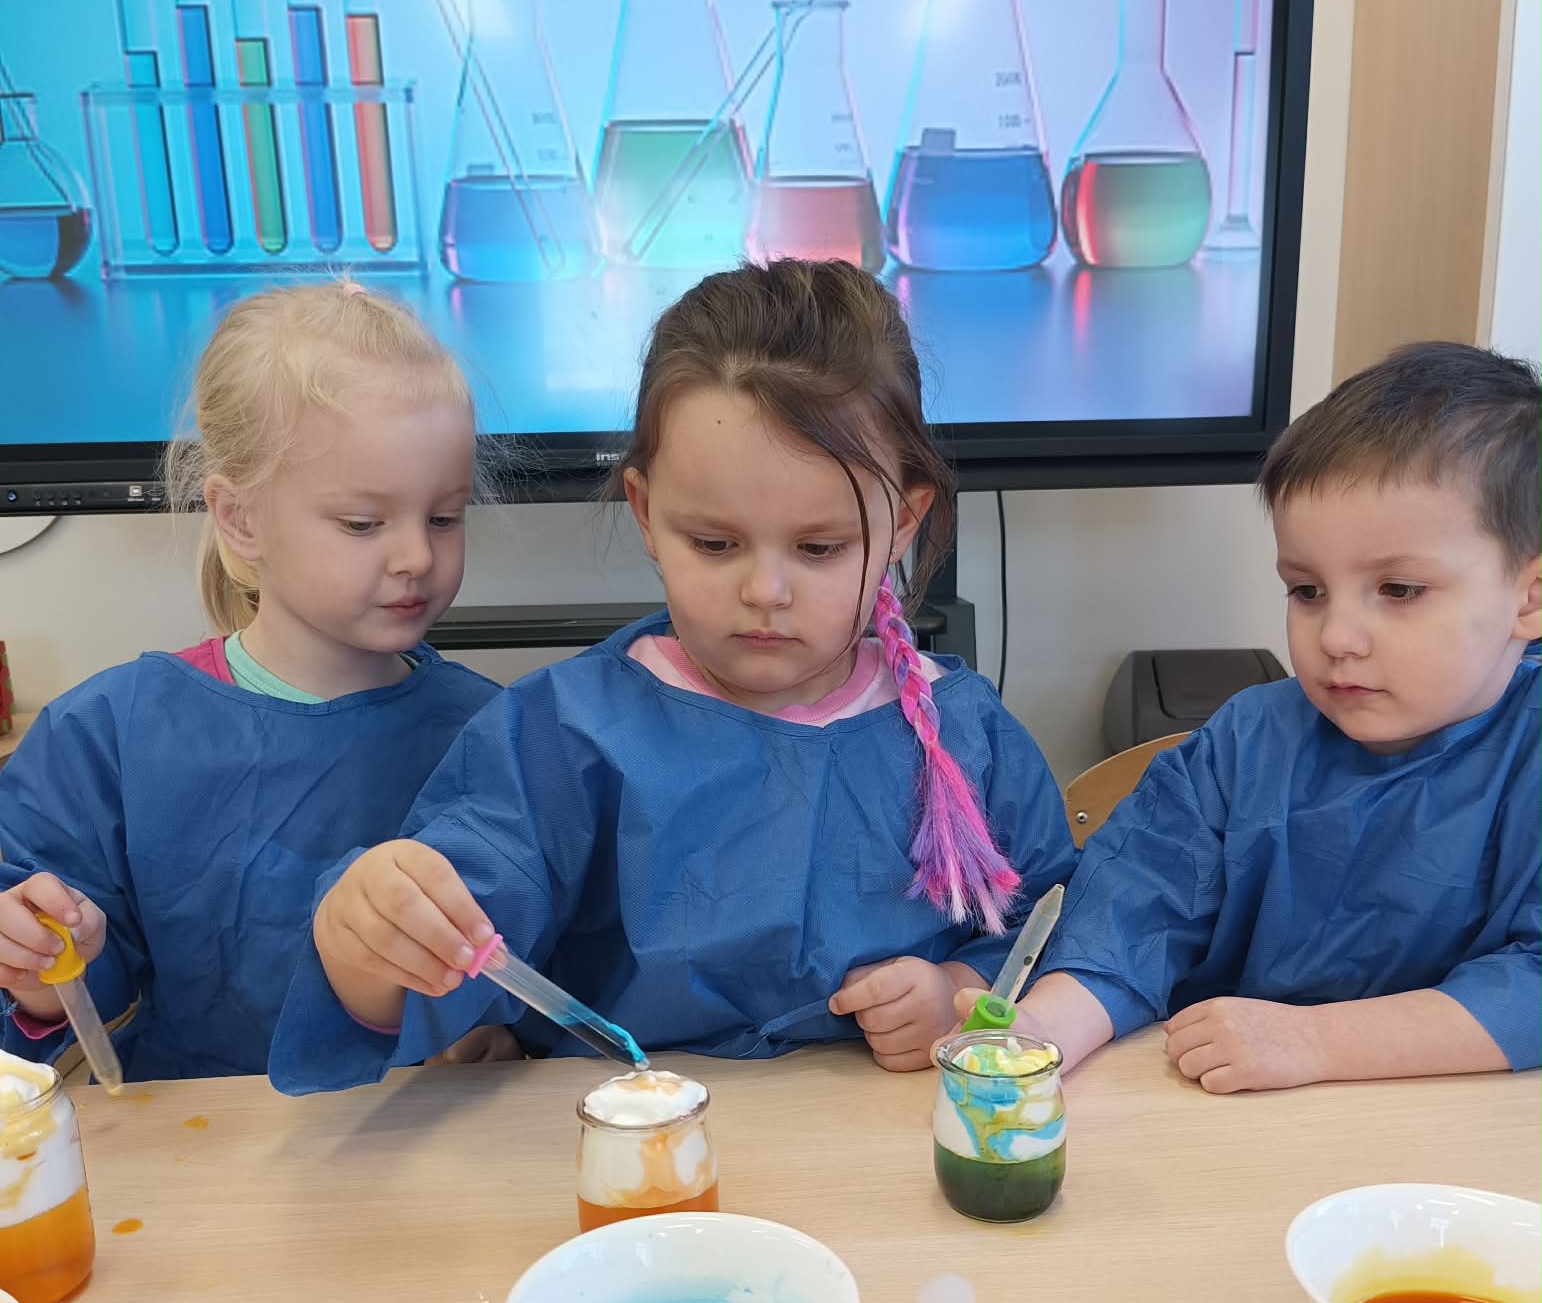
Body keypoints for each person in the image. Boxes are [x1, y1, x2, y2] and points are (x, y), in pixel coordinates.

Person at [268, 259, 1074, 1091]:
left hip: (883, 1149)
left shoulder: (963, 732)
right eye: (715, 544)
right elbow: (449, 943)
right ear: (646, 511)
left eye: (819, 547)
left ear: (902, 522)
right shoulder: (564, 732)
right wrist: (373, 938)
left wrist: (958, 990)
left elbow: (1050, 929)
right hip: (629, 1146)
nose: (765, 591)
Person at [0, 282, 504, 1081]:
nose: (417, 556)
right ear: (240, 518)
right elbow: (61, 997)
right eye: (363, 523)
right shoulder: (110, 738)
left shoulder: (492, 735)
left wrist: (501, 1035)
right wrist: (39, 968)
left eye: (444, 516)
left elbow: (533, 980)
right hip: (199, 1143)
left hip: (418, 1139)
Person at [1008, 341, 1542, 1092]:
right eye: (1307, 591)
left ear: (1529, 598)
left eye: (1398, 590)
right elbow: (1133, 911)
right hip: (1230, 1121)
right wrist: (1042, 1032)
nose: (1337, 638)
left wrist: (1318, 1042)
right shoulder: (1245, 742)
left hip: (1454, 1141)